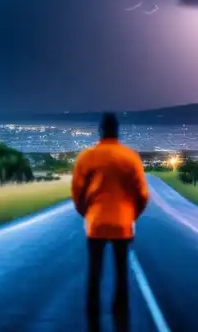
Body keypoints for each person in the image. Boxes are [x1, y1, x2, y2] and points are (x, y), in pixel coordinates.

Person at [71, 112, 149, 332]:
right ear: (118, 130)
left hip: (95, 223)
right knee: (121, 272)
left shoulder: (87, 157)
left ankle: (92, 317)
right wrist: (132, 215)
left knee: (94, 272)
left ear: (100, 131)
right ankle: (121, 316)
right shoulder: (130, 157)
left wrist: (86, 213)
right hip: (122, 225)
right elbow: (142, 195)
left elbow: (77, 193)